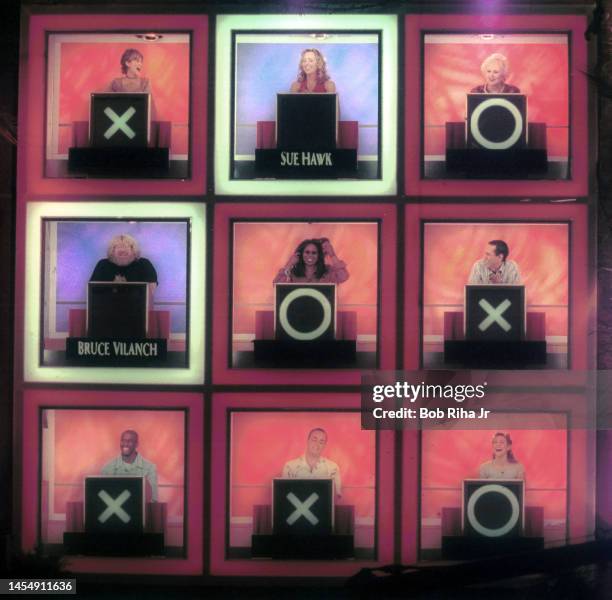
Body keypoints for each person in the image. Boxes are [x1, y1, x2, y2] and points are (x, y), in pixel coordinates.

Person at [90, 233, 158, 300]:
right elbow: (93, 291)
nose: (122, 250)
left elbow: (150, 292)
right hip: (106, 307)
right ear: (112, 250)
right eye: (118, 247)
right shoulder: (102, 265)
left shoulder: (144, 264)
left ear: (134, 250)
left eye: (127, 246)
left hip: (138, 308)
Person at [282, 428, 342, 497]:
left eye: (321, 442)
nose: (317, 444)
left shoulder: (333, 468)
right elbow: (285, 494)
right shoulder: (290, 467)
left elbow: (336, 496)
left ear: (325, 445)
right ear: (308, 441)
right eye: (314, 440)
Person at [101, 430, 159, 501]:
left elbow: (154, 499)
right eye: (123, 440)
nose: (125, 444)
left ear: (136, 444)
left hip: (140, 511)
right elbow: (103, 498)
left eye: (130, 441)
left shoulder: (150, 468)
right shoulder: (107, 468)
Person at [273, 238, 349, 284]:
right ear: (301, 254)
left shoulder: (327, 271)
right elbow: (277, 285)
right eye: (307, 252)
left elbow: (343, 277)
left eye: (314, 253)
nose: (310, 256)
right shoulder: (292, 272)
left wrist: (332, 255)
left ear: (319, 255)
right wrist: (289, 264)